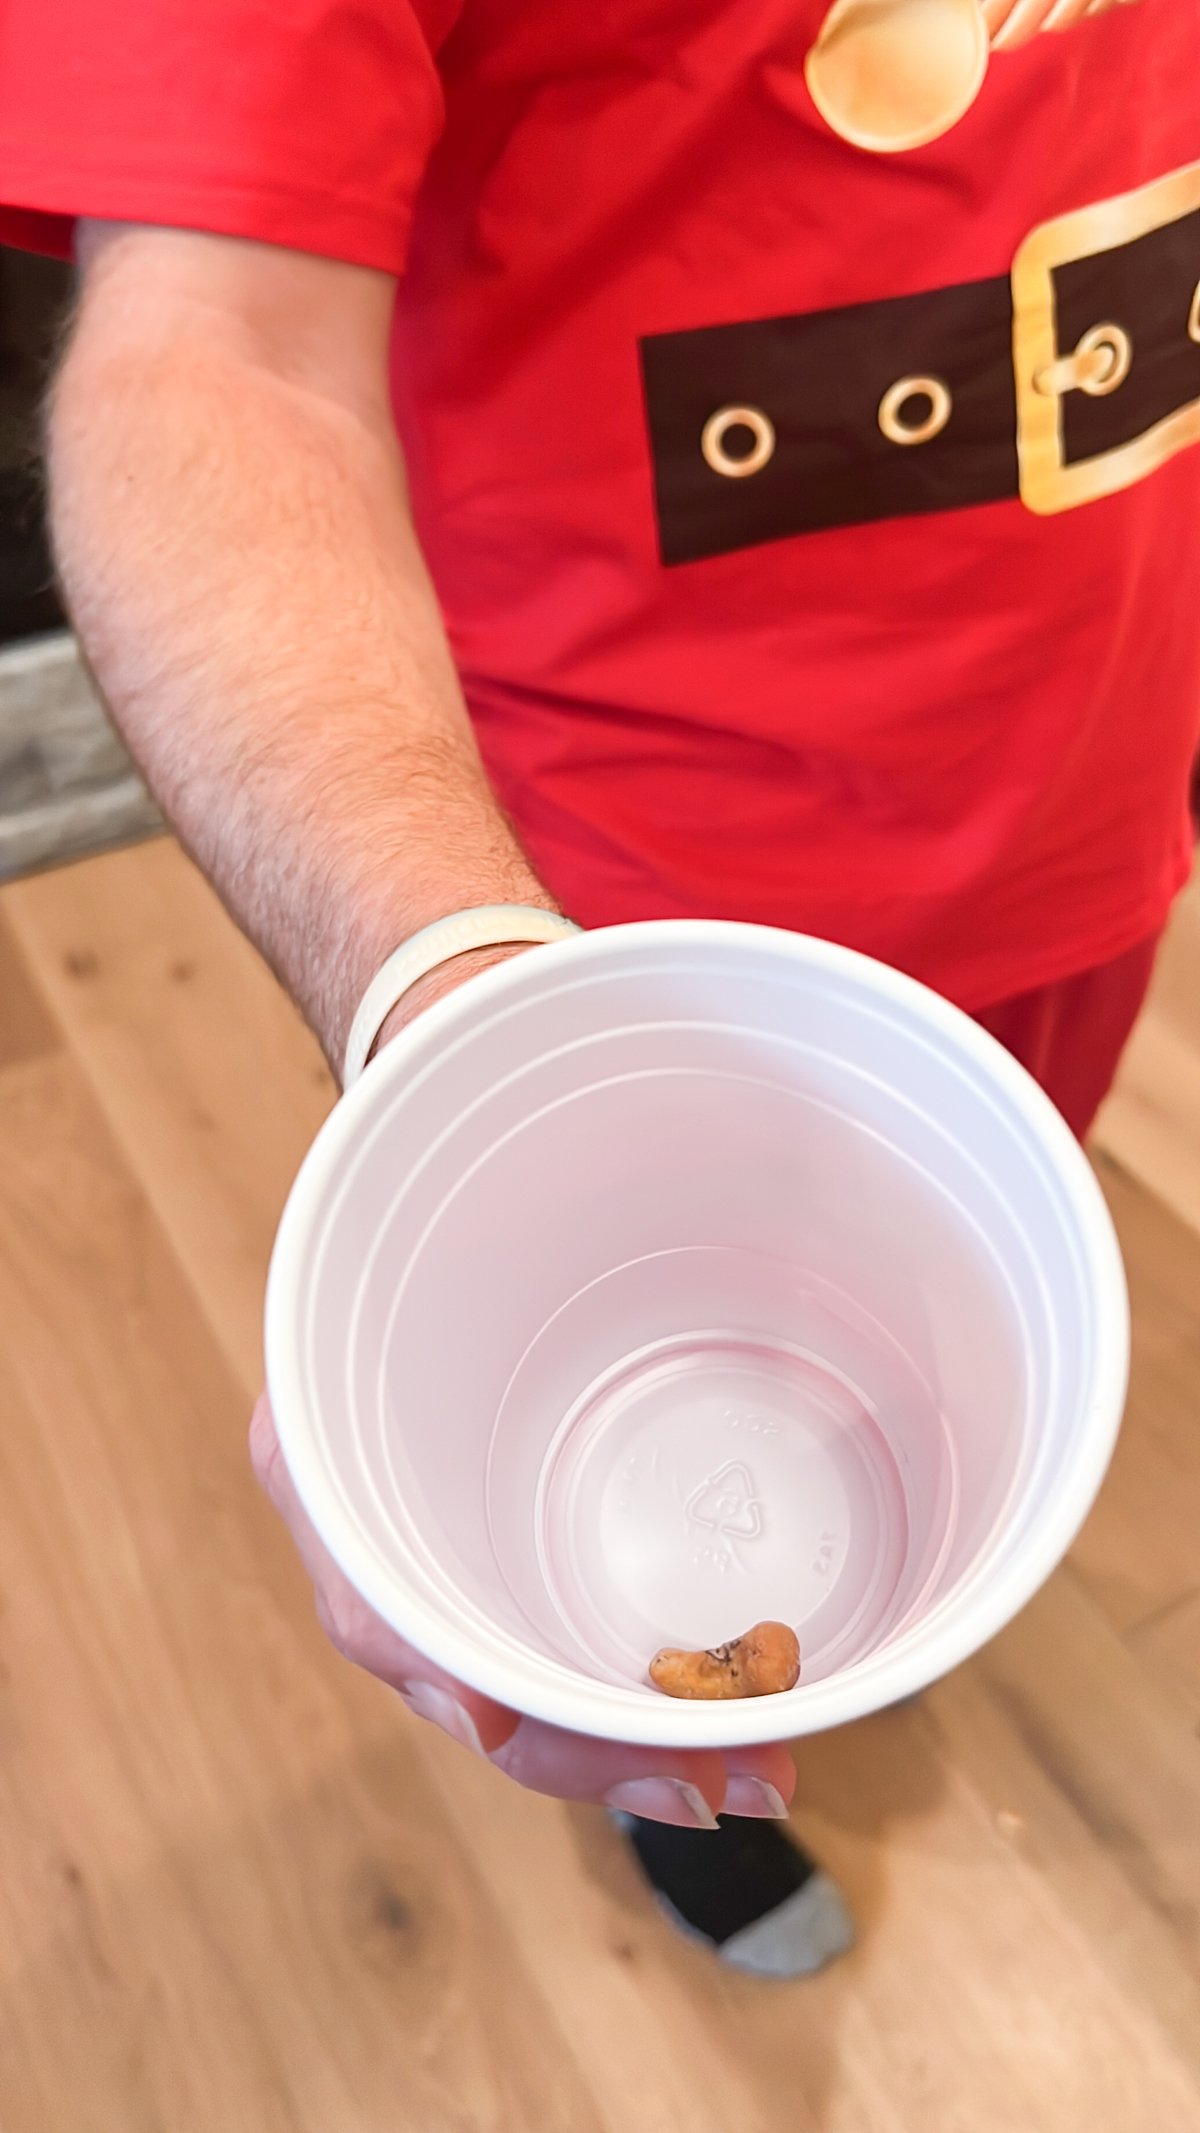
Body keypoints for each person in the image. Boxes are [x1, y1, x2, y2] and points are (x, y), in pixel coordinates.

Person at [1, 0, 1196, 1980]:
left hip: (1092, 789)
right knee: (667, 1464)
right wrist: (464, 994)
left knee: (920, 1341)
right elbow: (217, 349)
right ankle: (705, 1783)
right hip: (632, 908)